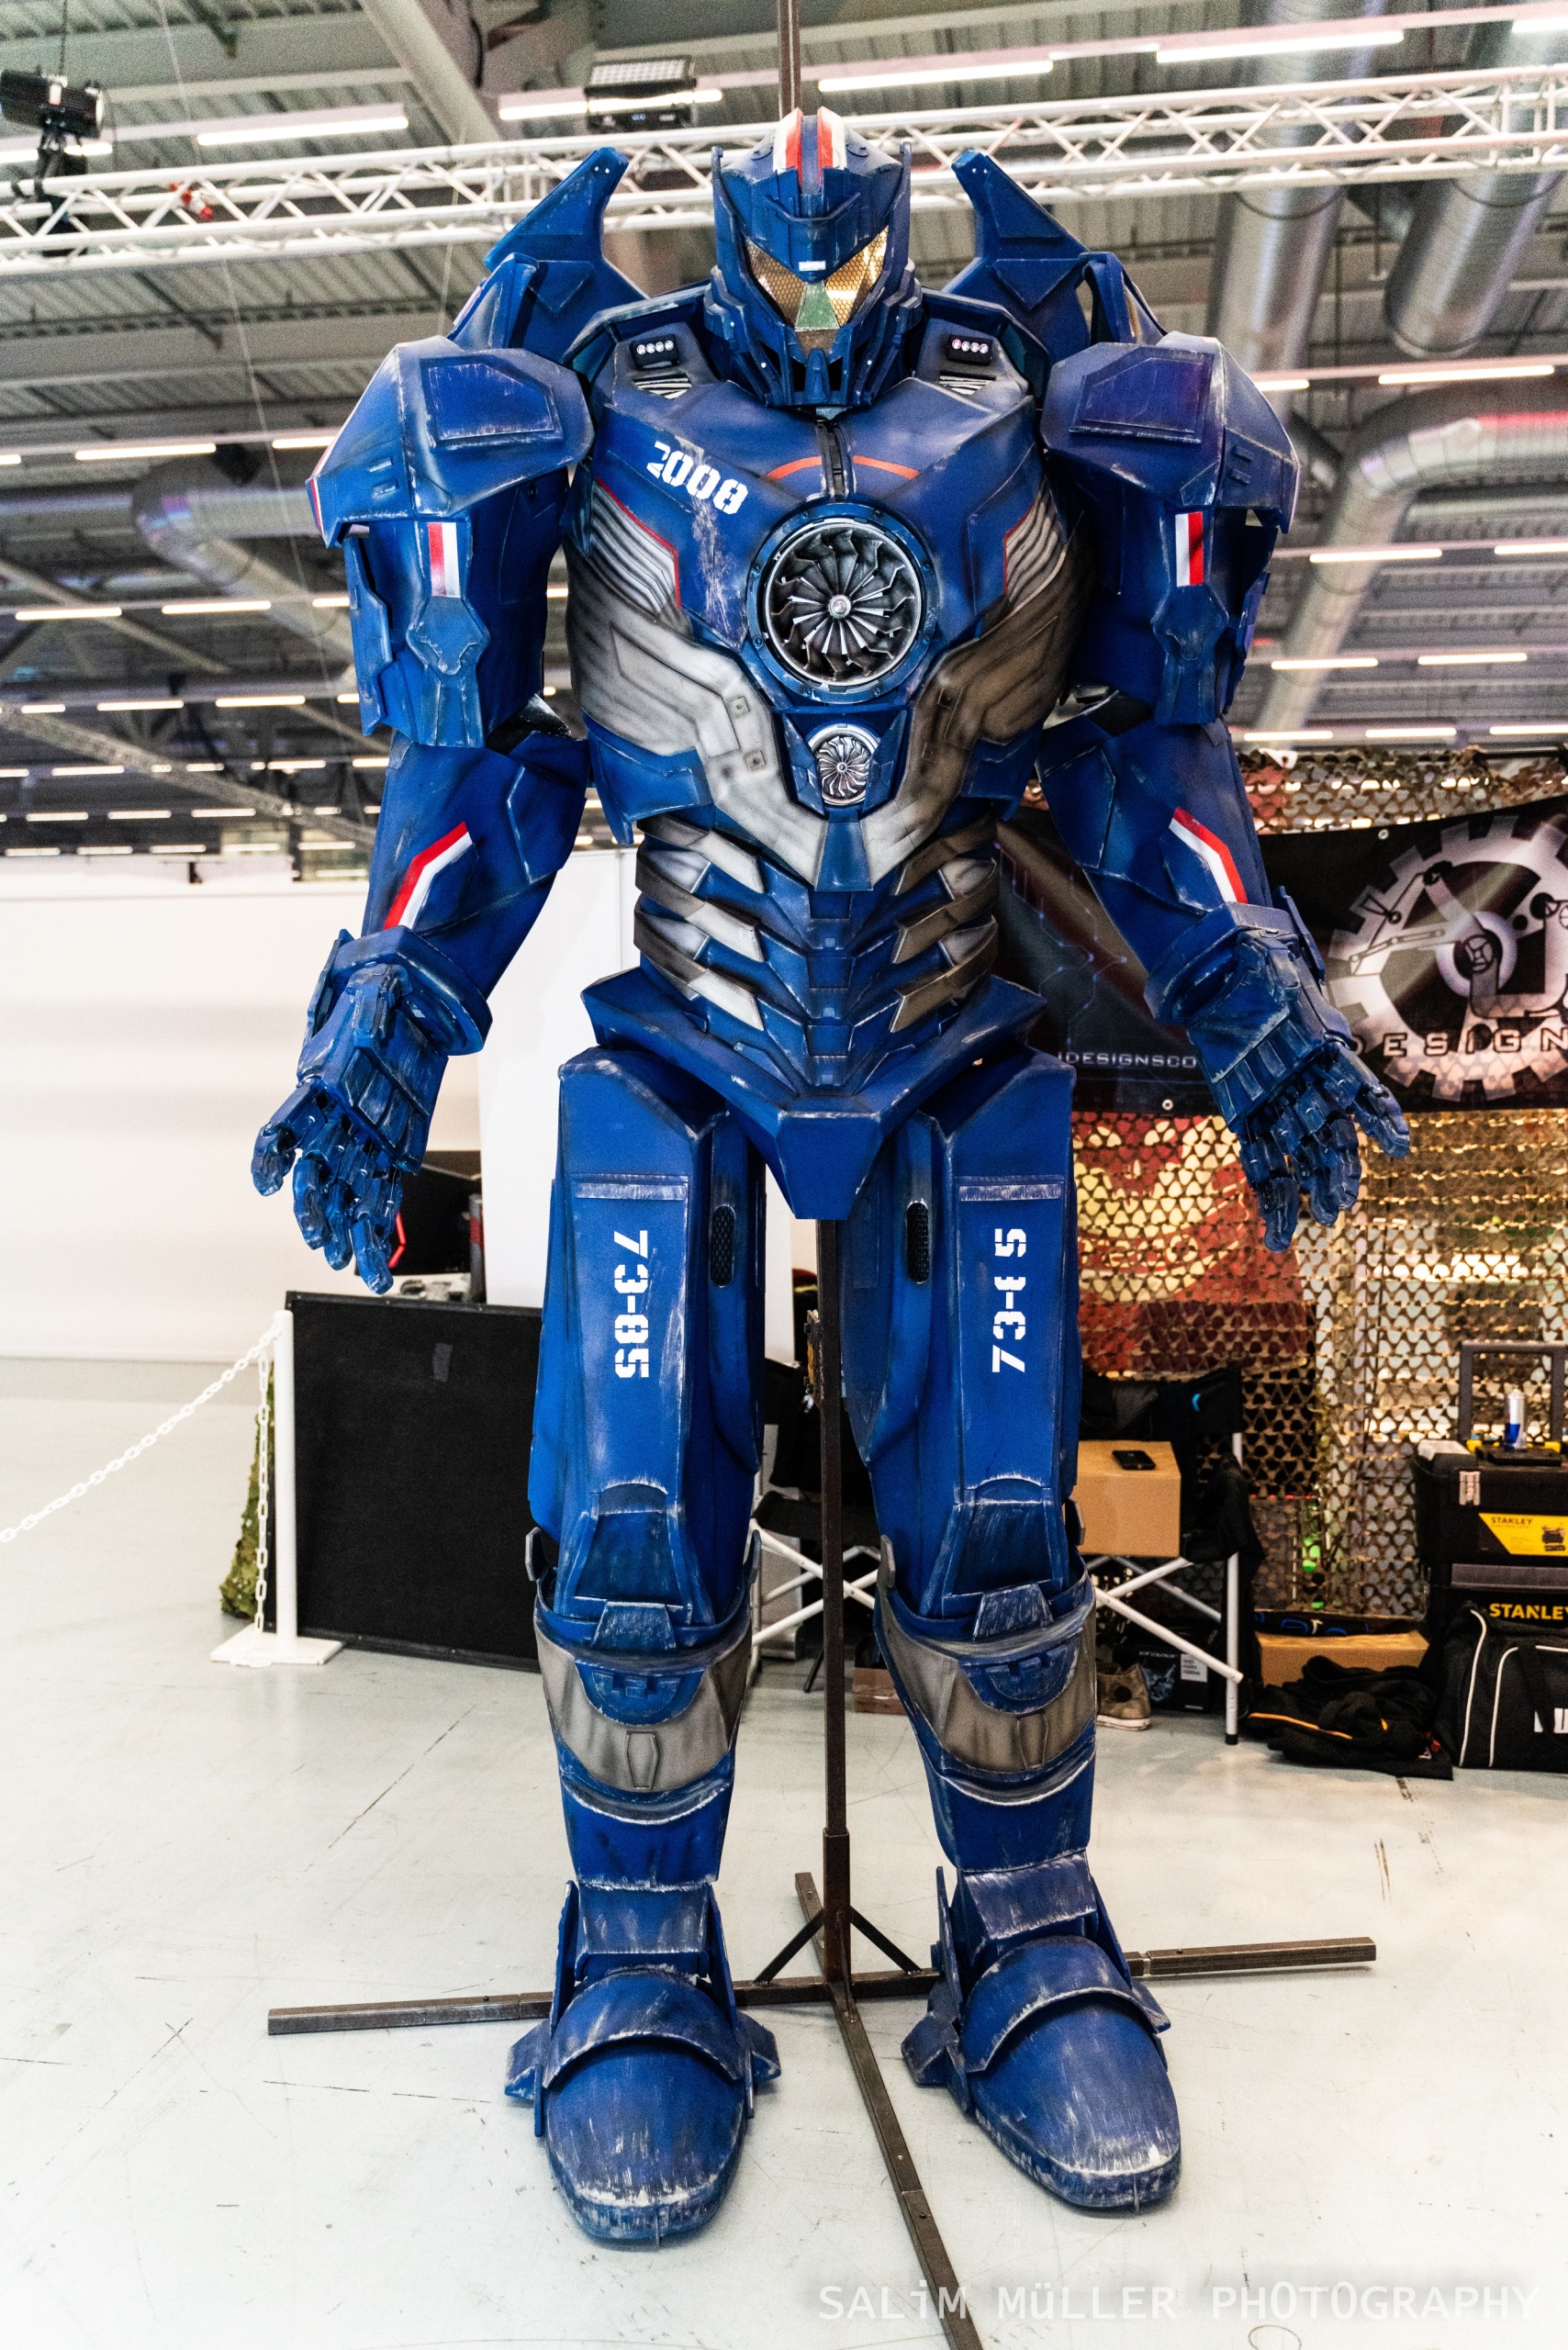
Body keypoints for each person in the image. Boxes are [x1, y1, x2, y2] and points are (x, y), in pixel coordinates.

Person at [253, 110, 1406, 2242]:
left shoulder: (1036, 388)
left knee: (994, 1520)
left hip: (952, 1033)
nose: (812, 271)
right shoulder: (580, 396)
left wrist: (1246, 987)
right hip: (681, 1040)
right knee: (633, 1526)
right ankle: (636, 1950)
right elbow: (478, 762)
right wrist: (391, 1005)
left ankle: (1024, 1924)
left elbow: (1139, 753)